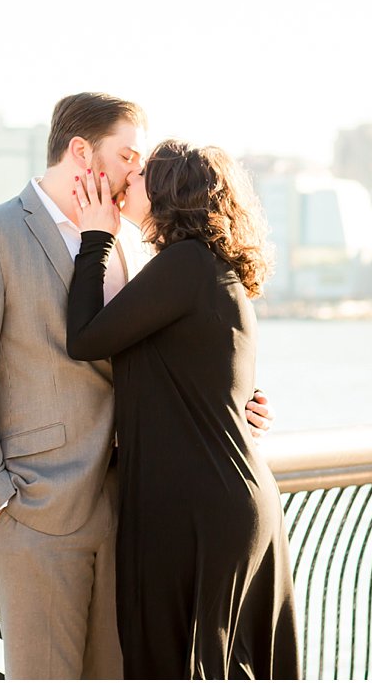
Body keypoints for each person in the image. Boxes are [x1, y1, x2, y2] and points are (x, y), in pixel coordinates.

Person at [0, 93, 273, 680]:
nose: (133, 175)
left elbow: (163, 358)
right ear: (81, 152)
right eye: (126, 157)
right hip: (37, 518)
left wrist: (235, 403)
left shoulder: (126, 250)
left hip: (126, 518)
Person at [66, 142, 300, 680]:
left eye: (144, 171)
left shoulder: (186, 264)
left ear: (172, 190)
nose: (130, 176)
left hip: (196, 508)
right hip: (218, 500)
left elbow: (84, 338)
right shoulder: (205, 270)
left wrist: (96, 237)